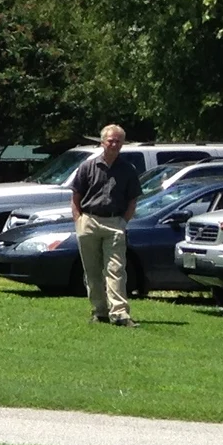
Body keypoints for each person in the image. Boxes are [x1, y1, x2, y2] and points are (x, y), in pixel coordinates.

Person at [69, 123, 139, 325]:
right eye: (111, 140)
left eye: (118, 141)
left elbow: (133, 201)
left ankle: (119, 313)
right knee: (92, 270)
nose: (114, 144)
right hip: (89, 221)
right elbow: (76, 196)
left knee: (116, 269)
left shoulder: (127, 169)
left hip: (114, 222)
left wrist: (123, 222)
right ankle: (99, 311)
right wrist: (79, 221)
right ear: (102, 142)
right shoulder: (88, 166)